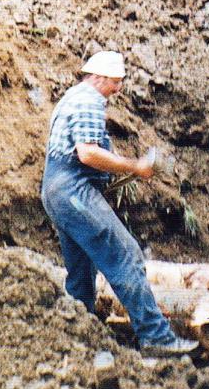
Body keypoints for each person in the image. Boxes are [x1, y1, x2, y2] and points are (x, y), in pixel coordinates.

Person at [41, 50, 199, 357]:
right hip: (73, 191)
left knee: (81, 271)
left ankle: (78, 340)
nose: (118, 89)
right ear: (98, 78)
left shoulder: (71, 98)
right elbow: (87, 154)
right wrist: (133, 166)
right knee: (126, 254)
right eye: (116, 82)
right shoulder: (89, 100)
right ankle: (157, 339)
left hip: (56, 190)